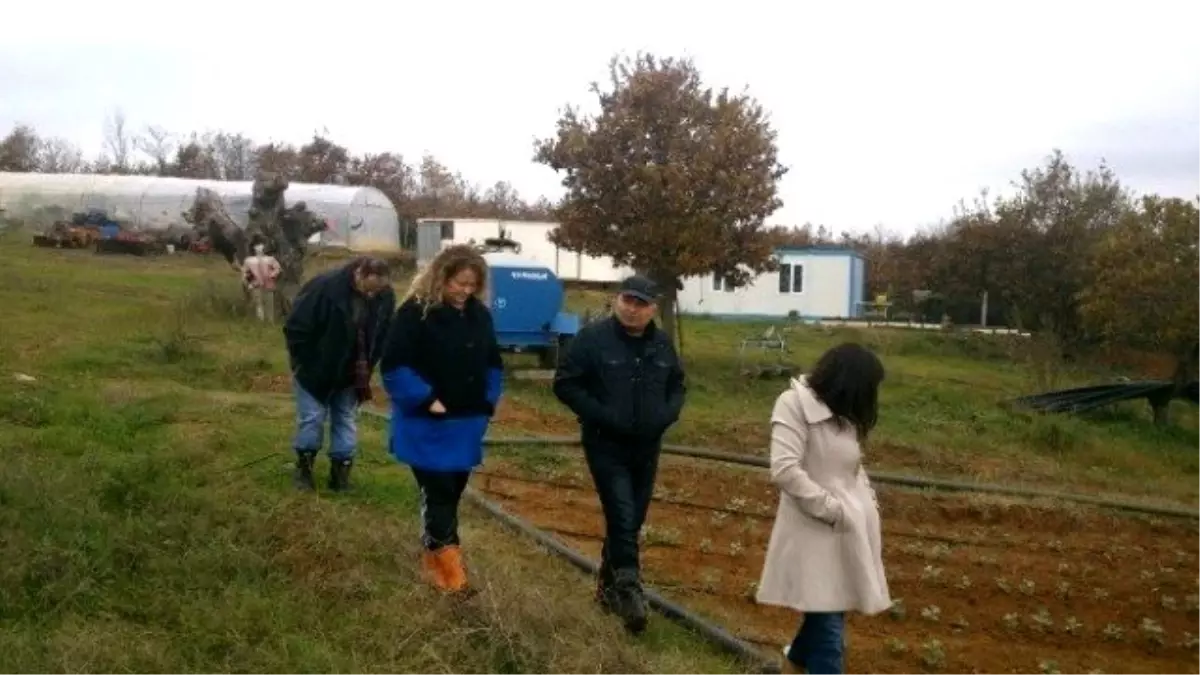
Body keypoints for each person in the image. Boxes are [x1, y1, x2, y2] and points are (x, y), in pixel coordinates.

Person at [552, 274, 686, 634]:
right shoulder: (592, 340)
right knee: (622, 513)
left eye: (640, 303)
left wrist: (665, 416)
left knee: (632, 518)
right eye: (627, 300)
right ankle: (630, 589)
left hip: (646, 446)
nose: (632, 308)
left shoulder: (661, 346)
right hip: (605, 443)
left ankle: (607, 591)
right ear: (617, 300)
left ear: (652, 309)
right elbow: (565, 383)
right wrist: (601, 415)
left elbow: (677, 386)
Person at [755, 342, 891, 675]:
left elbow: (849, 468)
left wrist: (866, 500)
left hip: (844, 535)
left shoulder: (842, 416)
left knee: (824, 619)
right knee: (829, 633)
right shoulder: (794, 405)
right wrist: (833, 510)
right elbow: (785, 469)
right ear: (847, 382)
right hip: (811, 534)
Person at [379, 244, 503, 594]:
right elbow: (394, 365)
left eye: (472, 285)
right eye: (459, 283)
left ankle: (434, 564)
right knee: (439, 494)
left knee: (453, 491)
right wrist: (425, 398)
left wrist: (487, 402)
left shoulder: (480, 316)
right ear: (441, 278)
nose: (465, 291)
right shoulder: (415, 314)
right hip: (426, 425)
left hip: (466, 424)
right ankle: (453, 579)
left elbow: (493, 364)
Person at [282, 257, 395, 493]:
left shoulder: (385, 296)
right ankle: (304, 472)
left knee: (345, 419)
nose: (373, 295)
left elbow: (383, 333)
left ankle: (340, 477)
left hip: (353, 372)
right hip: (314, 369)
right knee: (312, 418)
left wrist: (372, 361)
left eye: (379, 290)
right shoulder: (324, 287)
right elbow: (296, 327)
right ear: (359, 274)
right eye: (370, 289)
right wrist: (305, 362)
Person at [242, 239, 282, 322]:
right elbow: (245, 272)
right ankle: (261, 321)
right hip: (255, 284)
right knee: (258, 304)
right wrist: (247, 283)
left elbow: (278, 268)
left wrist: (272, 275)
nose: (259, 247)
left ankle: (270, 321)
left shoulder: (270, 259)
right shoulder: (249, 260)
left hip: (269, 284)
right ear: (253, 248)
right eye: (257, 245)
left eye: (261, 245)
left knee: (269, 304)